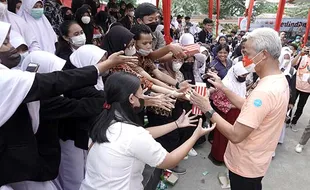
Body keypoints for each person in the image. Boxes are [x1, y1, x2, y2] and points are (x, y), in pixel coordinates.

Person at [0, 21, 138, 189]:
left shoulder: (14, 80)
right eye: (6, 42)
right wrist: (104, 68)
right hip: (25, 164)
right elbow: (60, 84)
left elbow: (78, 91)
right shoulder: (14, 84)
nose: (13, 48)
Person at [190, 28, 289, 190]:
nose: (245, 59)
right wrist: (223, 87)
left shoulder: (263, 92)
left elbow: (235, 135)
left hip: (245, 164)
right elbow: (250, 107)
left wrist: (207, 108)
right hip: (258, 160)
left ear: (263, 54)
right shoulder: (278, 80)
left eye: (247, 53)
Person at [79, 72, 215, 190]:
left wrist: (176, 124)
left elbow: (142, 135)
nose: (144, 96)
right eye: (141, 93)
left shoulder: (104, 121)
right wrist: (195, 135)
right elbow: (170, 161)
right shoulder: (132, 134)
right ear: (131, 99)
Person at [209, 61, 248, 165]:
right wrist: (232, 106)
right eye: (242, 75)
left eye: (245, 75)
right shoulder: (225, 84)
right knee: (222, 136)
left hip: (238, 113)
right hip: (227, 114)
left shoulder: (242, 82)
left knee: (234, 138)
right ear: (236, 74)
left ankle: (230, 158)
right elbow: (216, 101)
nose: (244, 77)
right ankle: (219, 157)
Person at [288, 45, 310, 132]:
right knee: (290, 104)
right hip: (296, 85)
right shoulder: (302, 57)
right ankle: (287, 120)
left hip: (307, 89)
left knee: (300, 107)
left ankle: (294, 122)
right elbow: (292, 64)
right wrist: (300, 54)